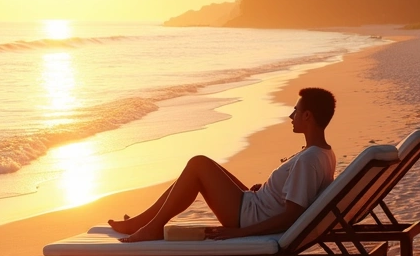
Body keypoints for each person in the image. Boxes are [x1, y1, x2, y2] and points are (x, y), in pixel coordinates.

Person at [107, 87, 337, 242]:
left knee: (198, 164)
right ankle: (143, 222)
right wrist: (269, 190)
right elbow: (295, 196)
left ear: (307, 116)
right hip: (256, 205)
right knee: (203, 168)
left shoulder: (308, 159)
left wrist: (239, 233)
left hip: (249, 217)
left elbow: (292, 215)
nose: (291, 115)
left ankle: (152, 226)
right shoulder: (324, 153)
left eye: (296, 110)